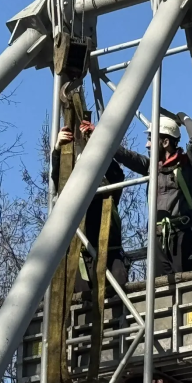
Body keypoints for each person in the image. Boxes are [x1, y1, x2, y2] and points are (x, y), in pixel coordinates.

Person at [112, 113, 192, 277]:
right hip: (157, 238)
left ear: (165, 142)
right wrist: (97, 136)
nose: (147, 144)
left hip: (182, 234)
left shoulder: (188, 163)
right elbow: (125, 155)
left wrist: (183, 118)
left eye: (151, 139)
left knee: (187, 283)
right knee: (160, 287)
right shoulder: (150, 167)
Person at [52, 120, 128, 295]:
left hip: (111, 255)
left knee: (118, 297)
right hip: (82, 260)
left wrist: (98, 143)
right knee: (82, 303)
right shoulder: (73, 198)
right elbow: (59, 182)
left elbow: (116, 175)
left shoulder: (107, 192)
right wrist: (57, 151)